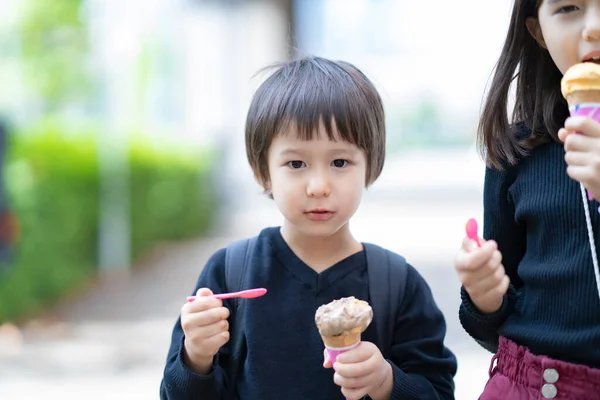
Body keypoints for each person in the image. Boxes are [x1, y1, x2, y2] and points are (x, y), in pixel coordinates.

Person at [160, 56, 457, 400]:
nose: (318, 185)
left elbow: (437, 390)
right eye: (296, 163)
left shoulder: (397, 284)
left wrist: (386, 382)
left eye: (340, 162)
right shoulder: (230, 274)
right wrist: (196, 357)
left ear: (371, 167)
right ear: (263, 171)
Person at [454, 1, 600, 399]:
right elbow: (497, 324)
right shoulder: (518, 150)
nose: (594, 28)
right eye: (569, 7)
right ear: (538, 32)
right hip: (530, 384)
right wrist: (485, 297)